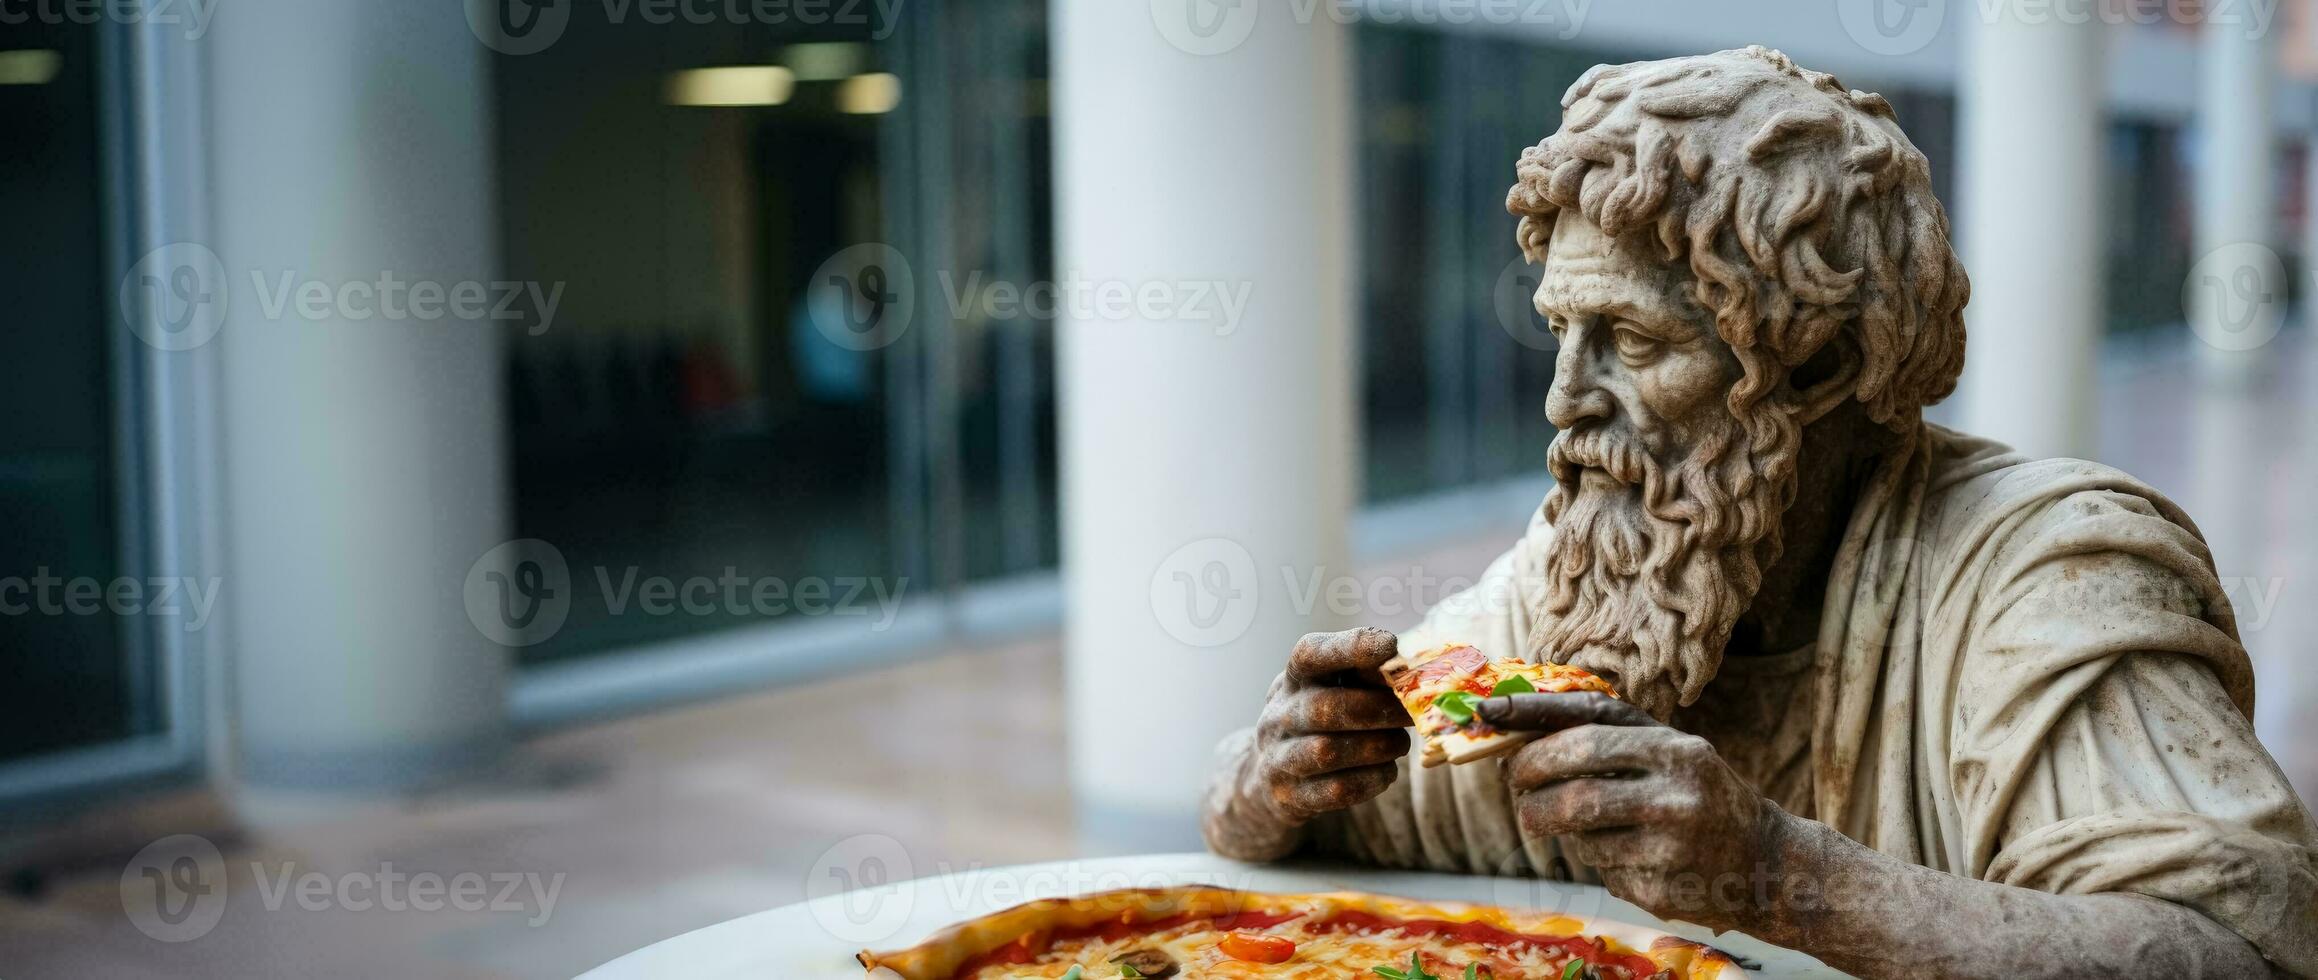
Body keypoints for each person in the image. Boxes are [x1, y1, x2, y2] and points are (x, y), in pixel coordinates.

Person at [1201, 47, 2318, 978]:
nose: (1562, 399)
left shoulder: (2050, 573)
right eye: (1560, 333)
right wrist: (1280, 775)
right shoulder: (1587, 577)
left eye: (1633, 343)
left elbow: (2239, 949)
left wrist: (1781, 874)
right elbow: (1303, 823)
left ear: (1820, 359)